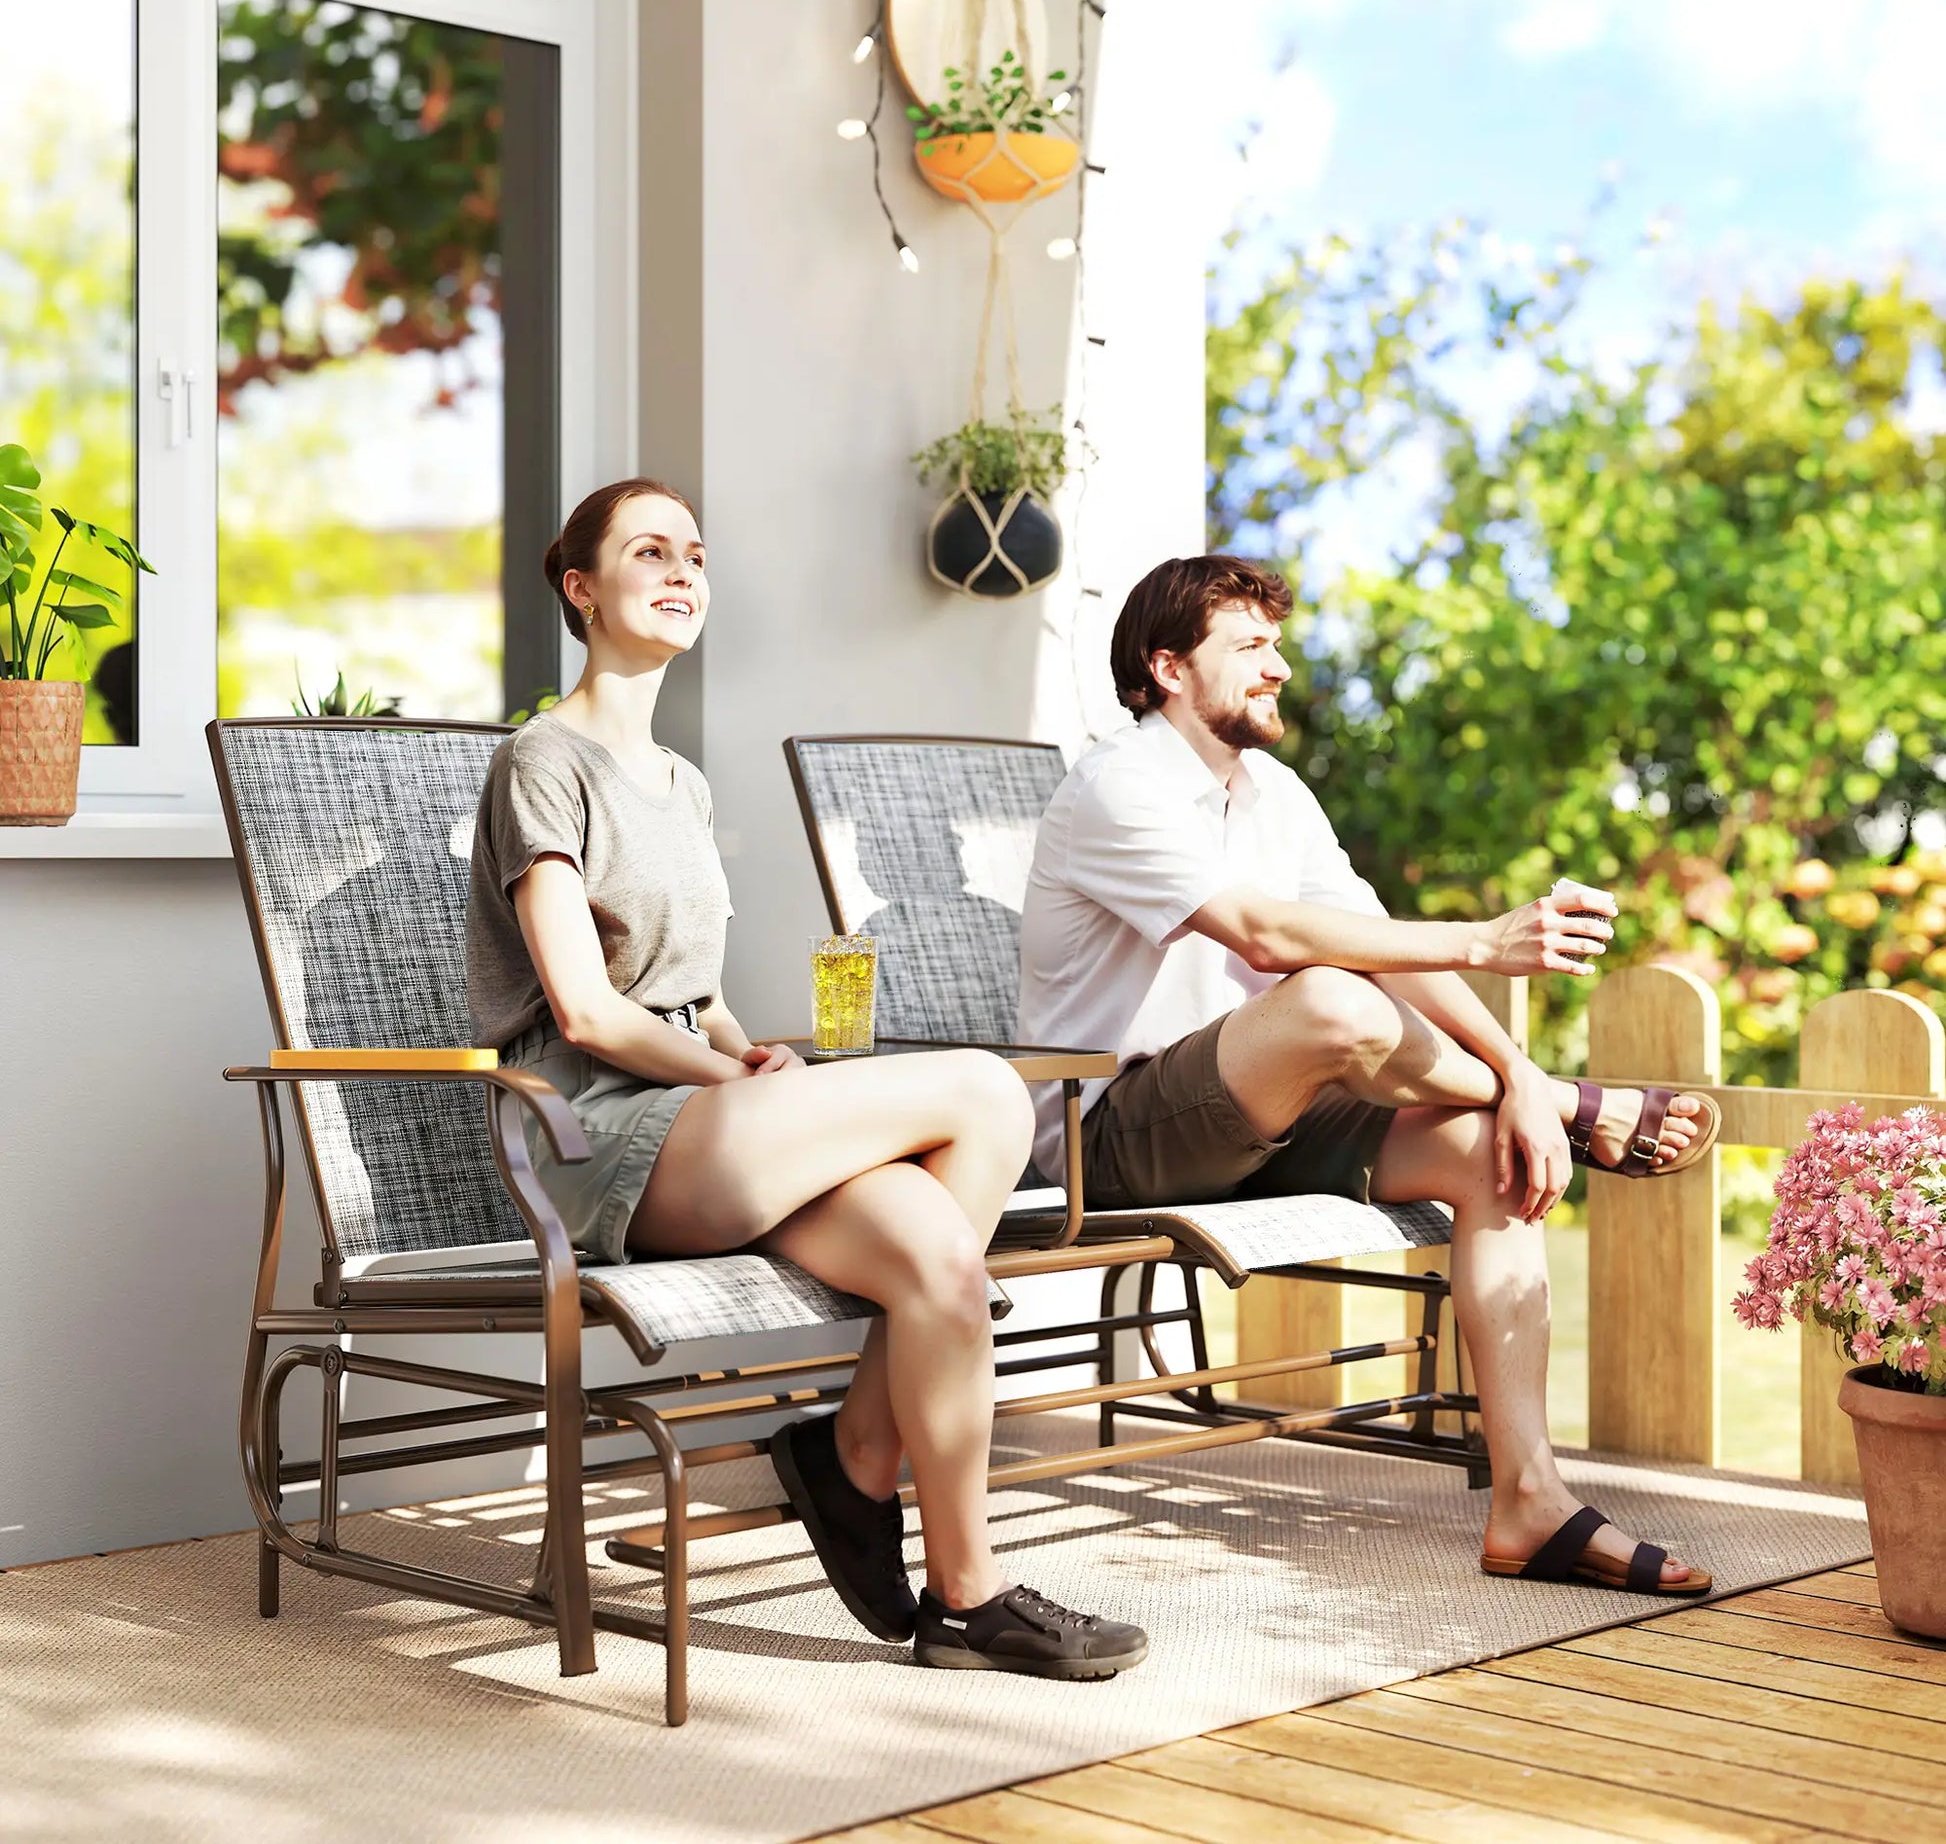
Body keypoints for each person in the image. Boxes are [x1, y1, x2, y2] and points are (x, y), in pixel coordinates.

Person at [465, 478, 1146, 1678]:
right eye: (646, 551)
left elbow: (699, 991)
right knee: (984, 1090)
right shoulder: (541, 759)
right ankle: (846, 1457)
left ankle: (959, 1591)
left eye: (694, 553)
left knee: (939, 1262)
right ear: (581, 587)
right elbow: (585, 1008)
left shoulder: (684, 783)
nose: (681, 570)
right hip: (595, 1134)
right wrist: (727, 1075)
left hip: (702, 1111)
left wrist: (745, 1049)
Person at [1018, 554, 1726, 1596]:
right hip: (1113, 1139)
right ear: (1166, 667)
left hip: (1266, 1115)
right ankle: (1575, 1107)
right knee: (1330, 1001)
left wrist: (1516, 1074)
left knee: (1492, 1150)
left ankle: (1529, 1500)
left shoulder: (1273, 792)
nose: (1278, 665)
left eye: (1276, 642)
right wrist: (1492, 945)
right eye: (1249, 646)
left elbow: (1383, 937)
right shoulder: (1117, 783)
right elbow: (1265, 936)